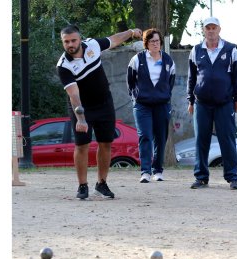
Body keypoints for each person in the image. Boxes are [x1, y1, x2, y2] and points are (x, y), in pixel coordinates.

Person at [56, 25, 142, 199]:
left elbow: (114, 39)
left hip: (104, 103)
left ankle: (101, 183)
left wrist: (131, 32)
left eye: (73, 40)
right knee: (82, 145)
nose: (70, 44)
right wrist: (81, 118)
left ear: (80, 39)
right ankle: (82, 186)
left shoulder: (93, 45)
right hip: (82, 107)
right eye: (66, 42)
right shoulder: (63, 65)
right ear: (63, 42)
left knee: (106, 143)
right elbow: (74, 94)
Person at [186, 17, 237, 190]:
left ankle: (233, 177)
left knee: (227, 139)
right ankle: (201, 177)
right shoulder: (196, 50)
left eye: (214, 28)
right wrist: (190, 100)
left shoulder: (231, 49)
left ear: (219, 29)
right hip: (201, 103)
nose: (211, 31)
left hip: (225, 103)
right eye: (208, 28)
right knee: (201, 140)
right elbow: (191, 78)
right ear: (204, 31)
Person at [127, 28, 176, 183]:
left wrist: (164, 96)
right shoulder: (137, 59)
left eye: (157, 41)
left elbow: (171, 82)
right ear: (146, 43)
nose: (155, 44)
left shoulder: (168, 61)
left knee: (161, 138)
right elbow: (130, 81)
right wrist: (136, 98)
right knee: (145, 136)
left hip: (162, 105)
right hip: (142, 105)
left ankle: (158, 170)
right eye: (152, 41)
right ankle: (145, 171)